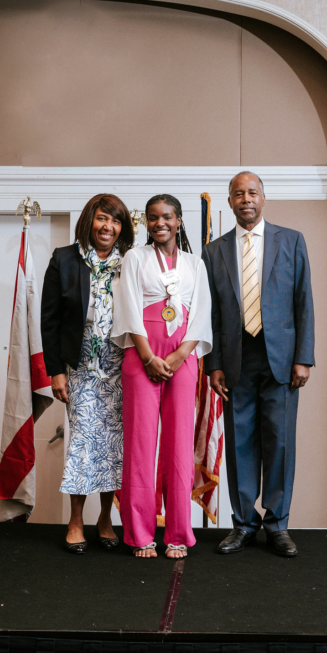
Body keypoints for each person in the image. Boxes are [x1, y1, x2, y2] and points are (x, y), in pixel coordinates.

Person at [202, 171, 314, 557]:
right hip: (236, 360)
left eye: (252, 192)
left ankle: (277, 525)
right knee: (240, 444)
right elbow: (211, 313)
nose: (245, 199)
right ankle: (244, 524)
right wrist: (213, 364)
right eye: (238, 194)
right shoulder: (214, 251)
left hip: (281, 360)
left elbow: (304, 302)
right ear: (230, 202)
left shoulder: (292, 240)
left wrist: (303, 357)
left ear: (263, 198)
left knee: (280, 443)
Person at [112, 195, 212, 559]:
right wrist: (148, 357)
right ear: (147, 223)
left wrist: (180, 355)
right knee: (140, 445)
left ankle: (178, 533)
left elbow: (201, 312)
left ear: (179, 220)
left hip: (181, 358)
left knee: (179, 445)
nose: (160, 223)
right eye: (153, 218)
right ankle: (140, 535)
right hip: (142, 357)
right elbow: (127, 307)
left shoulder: (194, 263)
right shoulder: (135, 257)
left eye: (167, 217)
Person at [41, 194, 134, 554]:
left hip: (121, 369)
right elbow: (49, 320)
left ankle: (106, 519)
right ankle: (76, 520)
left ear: (122, 228)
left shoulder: (131, 261)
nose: (108, 227)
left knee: (114, 445)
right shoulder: (65, 259)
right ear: (89, 221)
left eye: (115, 221)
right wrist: (55, 371)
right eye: (102, 218)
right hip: (80, 368)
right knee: (82, 442)